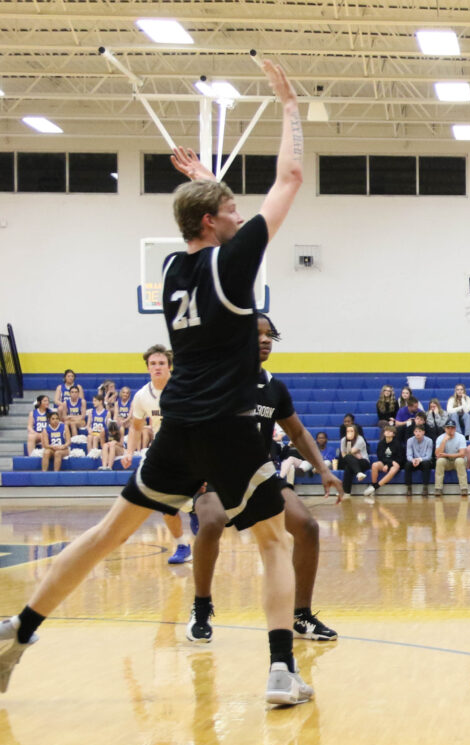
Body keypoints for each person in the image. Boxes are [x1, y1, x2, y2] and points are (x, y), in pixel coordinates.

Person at [0, 61, 315, 706]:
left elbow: (200, 216)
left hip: (179, 427)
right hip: (230, 424)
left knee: (107, 532)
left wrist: (202, 182)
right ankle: (281, 670)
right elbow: (290, 177)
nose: (237, 213)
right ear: (214, 224)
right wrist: (289, 107)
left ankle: (20, 627)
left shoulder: (173, 268)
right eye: (229, 208)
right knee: (273, 540)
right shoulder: (234, 263)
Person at [186, 313, 343, 643]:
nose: (265, 339)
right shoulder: (218, 381)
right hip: (217, 474)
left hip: (260, 475)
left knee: (308, 527)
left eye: (269, 334)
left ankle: (300, 615)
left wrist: (324, 470)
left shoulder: (274, 388)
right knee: (212, 521)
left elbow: (297, 432)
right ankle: (201, 607)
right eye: (256, 334)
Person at [120, 344, 193, 565]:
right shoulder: (142, 396)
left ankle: (197, 509)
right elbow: (136, 427)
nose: (157, 367)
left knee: (198, 499)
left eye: (161, 363)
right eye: (153, 364)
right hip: (163, 452)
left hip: (191, 448)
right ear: (148, 367)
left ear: (170, 366)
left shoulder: (184, 388)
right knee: (164, 503)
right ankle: (182, 545)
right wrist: (129, 451)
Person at [366, 424, 405, 496]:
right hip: (385, 462)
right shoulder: (381, 444)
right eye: (386, 431)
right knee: (375, 465)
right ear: (384, 433)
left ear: (393, 434)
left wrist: (389, 464)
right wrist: (388, 464)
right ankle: (373, 484)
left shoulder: (398, 444)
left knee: (395, 467)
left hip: (395, 464)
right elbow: (380, 457)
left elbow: (400, 458)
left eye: (390, 431)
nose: (387, 432)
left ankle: (376, 486)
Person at [434, 418, 469, 495]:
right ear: (445, 428)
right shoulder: (440, 438)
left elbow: (462, 454)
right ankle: (438, 488)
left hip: (458, 460)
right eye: (448, 428)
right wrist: (444, 441)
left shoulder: (461, 437)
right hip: (447, 461)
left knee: (459, 461)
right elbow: (437, 454)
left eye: (452, 427)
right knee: (440, 461)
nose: (450, 429)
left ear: (455, 428)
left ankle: (464, 488)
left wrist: (446, 455)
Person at [337, 423, 370, 497]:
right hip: (351, 462)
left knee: (348, 458)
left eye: (352, 431)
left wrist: (348, 444)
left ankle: (346, 491)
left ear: (355, 432)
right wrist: (348, 441)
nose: (349, 433)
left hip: (363, 462)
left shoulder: (360, 439)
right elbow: (343, 455)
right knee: (348, 467)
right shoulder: (343, 440)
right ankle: (347, 492)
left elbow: (350, 452)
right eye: (348, 431)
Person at [405, 423, 434, 495]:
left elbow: (428, 456)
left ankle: (425, 487)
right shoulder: (410, 440)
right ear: (414, 432)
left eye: (420, 431)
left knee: (426, 463)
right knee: (407, 464)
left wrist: (419, 460)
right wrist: (413, 460)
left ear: (423, 432)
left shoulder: (429, 441)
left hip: (424, 461)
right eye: (416, 431)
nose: (417, 433)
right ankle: (409, 488)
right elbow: (409, 455)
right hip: (414, 461)